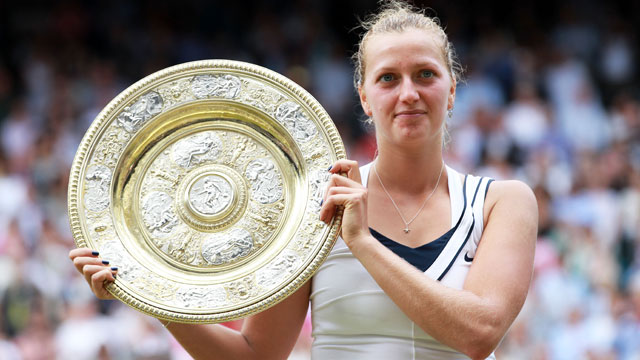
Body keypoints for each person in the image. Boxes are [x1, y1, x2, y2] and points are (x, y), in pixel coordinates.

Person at [69, 1, 537, 359]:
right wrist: (148, 293)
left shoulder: (502, 202)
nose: (408, 93)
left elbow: (480, 333)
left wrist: (362, 242)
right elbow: (257, 355)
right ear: (365, 98)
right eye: (389, 78)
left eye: (426, 75)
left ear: (451, 90)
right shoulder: (315, 203)